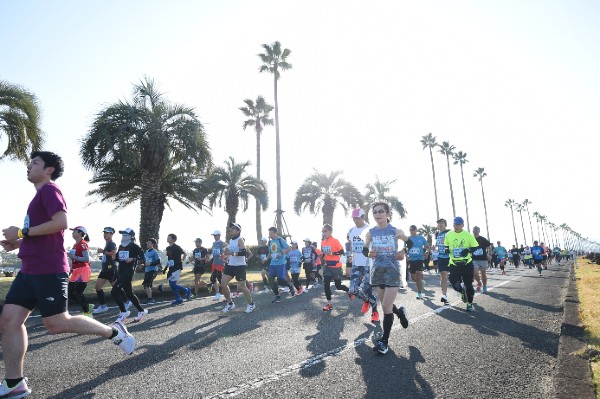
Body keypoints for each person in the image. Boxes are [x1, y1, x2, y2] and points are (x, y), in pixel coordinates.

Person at [0, 151, 135, 398]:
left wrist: (20, 233)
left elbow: (61, 223)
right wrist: (20, 244)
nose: (28, 166)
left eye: (35, 163)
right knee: (9, 321)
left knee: (56, 324)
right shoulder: (38, 197)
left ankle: (113, 331)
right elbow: (48, 234)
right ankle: (14, 382)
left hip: (48, 270)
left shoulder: (50, 191)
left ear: (49, 169)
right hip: (29, 268)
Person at [363, 201, 409, 355]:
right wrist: (369, 253)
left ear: (388, 214)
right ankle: (400, 313)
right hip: (377, 271)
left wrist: (403, 251)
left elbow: (411, 242)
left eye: (381, 211)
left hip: (393, 270)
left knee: (385, 306)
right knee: (386, 304)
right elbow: (364, 250)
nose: (377, 214)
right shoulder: (370, 233)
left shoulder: (396, 231)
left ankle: (384, 341)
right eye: (375, 212)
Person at [347, 208, 378, 322]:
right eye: (354, 218)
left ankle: (374, 311)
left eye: (357, 218)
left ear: (363, 217)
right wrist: (350, 256)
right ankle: (366, 301)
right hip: (356, 264)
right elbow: (351, 245)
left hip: (368, 265)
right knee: (353, 289)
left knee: (365, 290)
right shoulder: (351, 231)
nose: (355, 220)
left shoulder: (370, 229)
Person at [112, 228, 147, 322]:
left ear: (131, 236)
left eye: (125, 234)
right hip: (121, 271)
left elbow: (142, 257)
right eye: (122, 234)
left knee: (114, 291)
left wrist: (133, 258)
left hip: (128, 272)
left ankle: (124, 312)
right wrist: (114, 257)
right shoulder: (121, 246)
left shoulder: (134, 245)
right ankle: (141, 311)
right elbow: (119, 259)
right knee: (129, 294)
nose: (123, 236)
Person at [444, 217, 479, 312]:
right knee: (455, 284)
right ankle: (462, 292)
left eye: (458, 225)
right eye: (455, 224)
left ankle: (469, 304)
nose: (456, 226)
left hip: (466, 264)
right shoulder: (448, 235)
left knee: (468, 285)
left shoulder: (468, 235)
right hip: (454, 264)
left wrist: (468, 250)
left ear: (463, 225)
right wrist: (446, 249)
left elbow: (475, 247)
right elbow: (446, 246)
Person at [221, 223, 255, 313]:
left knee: (242, 286)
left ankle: (251, 304)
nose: (231, 230)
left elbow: (243, 253)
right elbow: (229, 252)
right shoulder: (231, 240)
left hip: (240, 266)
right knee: (223, 283)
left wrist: (232, 253)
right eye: (231, 228)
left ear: (238, 231)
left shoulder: (240, 240)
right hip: (230, 265)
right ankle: (230, 304)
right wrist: (226, 252)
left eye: (233, 229)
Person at [93, 227, 125, 314]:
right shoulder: (107, 244)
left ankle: (127, 302)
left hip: (111, 269)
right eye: (104, 233)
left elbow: (113, 253)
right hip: (105, 270)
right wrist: (103, 257)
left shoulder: (111, 243)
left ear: (111, 234)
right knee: (97, 287)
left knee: (116, 287)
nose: (105, 234)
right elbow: (109, 255)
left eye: (107, 233)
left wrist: (103, 251)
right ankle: (103, 306)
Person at [321, 224, 351, 311]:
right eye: (323, 231)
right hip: (327, 266)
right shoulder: (323, 242)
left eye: (325, 231)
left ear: (330, 232)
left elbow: (341, 251)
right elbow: (324, 253)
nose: (324, 233)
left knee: (338, 286)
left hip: (336, 267)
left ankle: (348, 291)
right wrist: (322, 255)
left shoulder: (335, 241)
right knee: (326, 284)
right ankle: (329, 304)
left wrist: (332, 254)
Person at [67, 226, 94, 317]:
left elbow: (86, 258)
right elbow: (73, 258)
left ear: (80, 233)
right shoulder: (75, 245)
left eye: (74, 231)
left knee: (77, 292)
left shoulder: (83, 244)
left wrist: (73, 257)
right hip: (75, 270)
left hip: (83, 270)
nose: (72, 232)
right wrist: (71, 268)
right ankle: (87, 305)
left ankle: (87, 312)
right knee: (70, 292)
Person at [266, 227, 295, 303]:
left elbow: (289, 248)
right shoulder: (270, 242)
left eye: (271, 233)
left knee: (280, 280)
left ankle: (290, 286)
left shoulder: (280, 240)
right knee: (271, 279)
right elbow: (270, 253)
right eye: (269, 233)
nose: (270, 235)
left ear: (275, 233)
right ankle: (277, 296)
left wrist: (281, 253)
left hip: (281, 263)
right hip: (273, 264)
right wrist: (266, 259)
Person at [163, 233, 191, 305]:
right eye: (167, 237)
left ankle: (186, 290)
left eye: (169, 238)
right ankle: (179, 298)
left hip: (177, 267)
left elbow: (184, 254)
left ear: (173, 239)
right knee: (171, 284)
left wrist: (181, 261)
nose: (167, 238)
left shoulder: (177, 247)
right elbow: (169, 258)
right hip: (171, 268)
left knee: (172, 284)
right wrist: (165, 268)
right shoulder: (168, 248)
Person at [407, 225, 430, 300]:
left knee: (419, 275)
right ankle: (421, 283)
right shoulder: (407, 239)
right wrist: (406, 256)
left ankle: (419, 293)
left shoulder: (421, 238)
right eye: (411, 230)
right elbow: (405, 249)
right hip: (411, 260)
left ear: (416, 230)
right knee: (413, 278)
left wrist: (427, 252)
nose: (412, 231)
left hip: (419, 259)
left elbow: (427, 246)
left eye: (413, 229)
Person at [435, 218, 452, 304]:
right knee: (443, 275)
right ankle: (444, 295)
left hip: (450, 257)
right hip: (441, 257)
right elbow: (437, 244)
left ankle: (461, 286)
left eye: (442, 223)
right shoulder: (437, 233)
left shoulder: (450, 232)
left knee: (454, 276)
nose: (440, 225)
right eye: (439, 223)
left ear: (445, 224)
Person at [142, 238, 161, 304]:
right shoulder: (147, 251)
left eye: (149, 243)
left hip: (153, 270)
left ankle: (150, 298)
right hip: (147, 270)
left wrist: (150, 264)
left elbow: (158, 261)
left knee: (146, 284)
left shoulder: (154, 251)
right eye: (147, 242)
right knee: (148, 285)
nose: (148, 243)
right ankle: (159, 288)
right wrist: (143, 265)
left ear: (153, 244)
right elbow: (146, 261)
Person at [472, 226, 491, 293]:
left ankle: (484, 287)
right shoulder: (471, 239)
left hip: (483, 259)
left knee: (483, 274)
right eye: (474, 230)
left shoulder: (482, 239)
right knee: (474, 273)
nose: (475, 231)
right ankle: (479, 282)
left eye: (476, 230)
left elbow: (489, 246)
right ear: (472, 231)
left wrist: (490, 255)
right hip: (474, 259)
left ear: (479, 231)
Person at [209, 230, 226, 301]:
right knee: (213, 279)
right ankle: (218, 293)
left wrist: (224, 256)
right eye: (214, 235)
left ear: (219, 235)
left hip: (220, 263)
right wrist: (209, 258)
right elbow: (213, 253)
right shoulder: (213, 243)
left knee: (219, 279)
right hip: (214, 263)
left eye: (216, 235)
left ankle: (226, 295)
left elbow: (229, 250)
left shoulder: (223, 243)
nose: (214, 237)